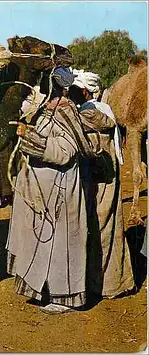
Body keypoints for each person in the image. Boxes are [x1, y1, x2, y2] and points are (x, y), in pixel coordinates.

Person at [6, 67, 98, 314]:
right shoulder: (44, 110)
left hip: (60, 186)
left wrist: (31, 140)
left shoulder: (67, 112)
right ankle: (42, 289)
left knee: (61, 244)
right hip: (39, 188)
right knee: (39, 241)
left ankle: (64, 297)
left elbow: (65, 152)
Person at [69, 69, 135, 298]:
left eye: (75, 90)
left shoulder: (94, 114)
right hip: (98, 178)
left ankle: (107, 285)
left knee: (103, 227)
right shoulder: (94, 111)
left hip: (102, 179)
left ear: (86, 92)